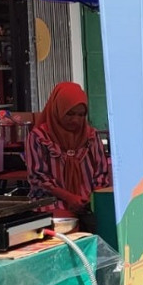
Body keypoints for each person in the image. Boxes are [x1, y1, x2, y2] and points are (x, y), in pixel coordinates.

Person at [26, 82, 111, 216]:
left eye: (81, 115)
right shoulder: (39, 137)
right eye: (70, 114)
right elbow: (39, 177)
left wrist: (93, 198)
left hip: (87, 204)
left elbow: (101, 173)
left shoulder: (91, 136)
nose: (76, 120)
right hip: (51, 203)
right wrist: (69, 197)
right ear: (57, 110)